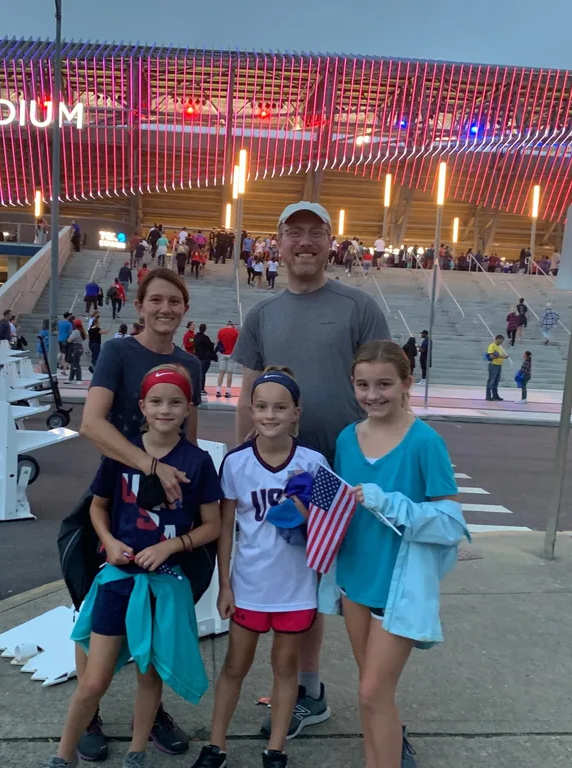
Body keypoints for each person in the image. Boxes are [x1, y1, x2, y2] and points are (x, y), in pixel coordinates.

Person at [233, 201, 390, 740]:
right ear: (275, 244)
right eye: (293, 233)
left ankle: (382, 708)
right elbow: (250, 395)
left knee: (361, 591)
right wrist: (244, 464)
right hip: (286, 473)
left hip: (342, 470)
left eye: (315, 233)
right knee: (304, 586)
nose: (304, 242)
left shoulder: (357, 306)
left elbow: (382, 384)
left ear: (331, 242)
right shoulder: (263, 316)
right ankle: (310, 691)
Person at [76, 268, 206, 761]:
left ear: (184, 308)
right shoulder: (118, 352)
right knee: (93, 608)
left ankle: (148, 714)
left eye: (174, 301)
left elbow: (188, 437)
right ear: (139, 305)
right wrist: (150, 466)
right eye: (156, 300)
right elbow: (92, 423)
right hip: (115, 494)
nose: (165, 309)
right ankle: (89, 710)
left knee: (159, 610)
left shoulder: (190, 363)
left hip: (169, 507)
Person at [326, 340, 467, 768]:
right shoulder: (347, 438)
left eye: (385, 384)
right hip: (353, 578)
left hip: (400, 585)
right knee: (372, 694)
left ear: (407, 383)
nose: (373, 395)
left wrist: (391, 502)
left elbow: (450, 523)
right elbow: (339, 504)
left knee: (372, 692)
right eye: (363, 385)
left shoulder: (426, 442)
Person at [191, 369, 327, 768]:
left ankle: (277, 748)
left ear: (296, 413)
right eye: (262, 407)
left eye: (280, 407)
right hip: (249, 585)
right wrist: (225, 586)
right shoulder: (235, 463)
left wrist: (304, 509)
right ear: (250, 411)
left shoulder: (313, 463)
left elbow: (325, 528)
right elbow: (226, 530)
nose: (271, 415)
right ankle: (217, 746)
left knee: (286, 667)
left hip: (296, 588)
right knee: (235, 665)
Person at [215, 321, 240, 398]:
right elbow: (238, 343)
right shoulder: (236, 332)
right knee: (230, 373)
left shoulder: (221, 330)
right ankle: (227, 391)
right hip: (232, 354)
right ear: (232, 326)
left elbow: (217, 342)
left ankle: (218, 390)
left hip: (223, 354)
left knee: (221, 373)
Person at [193, 323, 215, 398]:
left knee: (199, 372)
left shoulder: (196, 337)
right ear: (205, 329)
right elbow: (210, 347)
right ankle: (201, 388)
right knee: (202, 373)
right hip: (204, 357)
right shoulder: (205, 338)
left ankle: (197, 387)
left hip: (197, 356)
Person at [485, 334, 508, 401]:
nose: (501, 342)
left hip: (499, 365)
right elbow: (491, 356)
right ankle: (488, 396)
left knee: (496, 381)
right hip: (493, 365)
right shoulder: (492, 346)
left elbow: (499, 355)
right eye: (501, 341)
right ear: (497, 339)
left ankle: (495, 395)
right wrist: (502, 357)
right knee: (491, 380)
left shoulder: (499, 347)